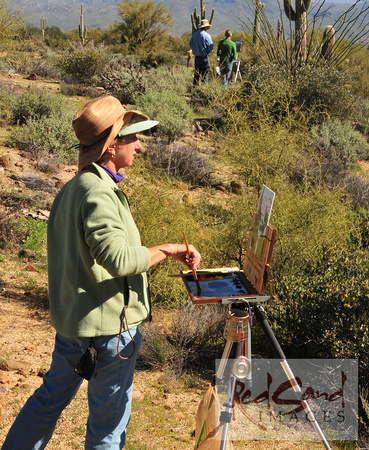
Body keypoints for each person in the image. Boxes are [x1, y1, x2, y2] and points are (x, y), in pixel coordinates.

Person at [2, 95, 201, 450]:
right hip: (108, 332)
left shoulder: (75, 187)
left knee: (48, 402)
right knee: (108, 424)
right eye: (132, 138)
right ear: (111, 147)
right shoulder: (98, 193)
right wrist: (169, 250)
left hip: (75, 326)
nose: (140, 147)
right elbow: (119, 260)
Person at [189, 19, 214, 86]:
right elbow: (211, 47)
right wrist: (208, 52)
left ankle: (195, 89)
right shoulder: (207, 36)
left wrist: (195, 50)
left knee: (196, 74)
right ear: (206, 27)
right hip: (204, 58)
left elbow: (191, 44)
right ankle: (203, 90)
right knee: (205, 75)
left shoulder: (194, 35)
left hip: (197, 58)